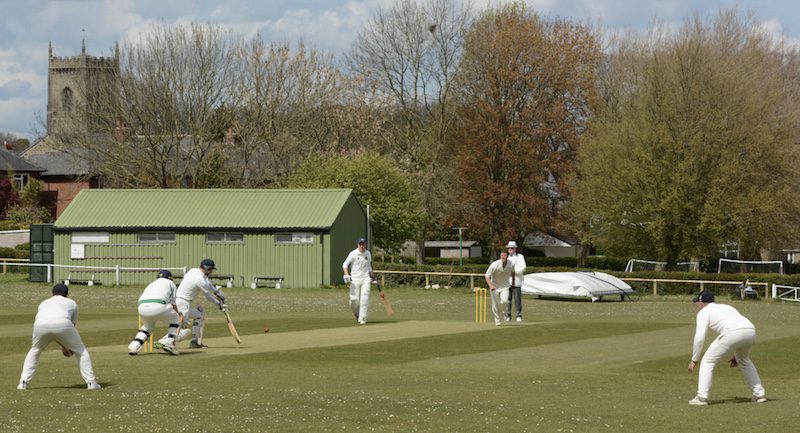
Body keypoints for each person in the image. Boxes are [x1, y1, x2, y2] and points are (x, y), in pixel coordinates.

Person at [687, 290, 767, 406]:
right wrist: (737, 354)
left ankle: (701, 397)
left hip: (732, 332)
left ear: (701, 303)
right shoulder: (727, 307)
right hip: (750, 330)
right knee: (744, 360)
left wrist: (694, 360)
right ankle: (759, 394)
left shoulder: (704, 312)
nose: (698, 306)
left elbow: (699, 337)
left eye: (698, 304)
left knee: (707, 361)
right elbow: (739, 326)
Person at [17, 283, 101, 390]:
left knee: (35, 350)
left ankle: (23, 383)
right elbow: (68, 327)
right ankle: (91, 383)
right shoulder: (72, 303)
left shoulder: (43, 303)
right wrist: (65, 347)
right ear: (67, 294)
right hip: (62, 323)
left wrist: (64, 346)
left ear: (52, 293)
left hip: (40, 325)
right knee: (81, 351)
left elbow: (51, 328)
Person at [157, 258, 226, 349]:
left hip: (183, 302)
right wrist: (219, 304)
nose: (211, 272)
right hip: (182, 303)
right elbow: (208, 296)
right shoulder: (199, 280)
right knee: (182, 328)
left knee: (199, 315)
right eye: (211, 270)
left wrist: (216, 291)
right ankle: (163, 341)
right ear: (207, 269)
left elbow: (207, 281)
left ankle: (195, 342)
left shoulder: (193, 271)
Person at [129, 270, 183, 356]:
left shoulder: (151, 283)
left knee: (147, 327)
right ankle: (169, 341)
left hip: (142, 307)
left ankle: (135, 346)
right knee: (176, 320)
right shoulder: (170, 283)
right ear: (170, 278)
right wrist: (179, 315)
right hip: (159, 305)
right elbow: (173, 304)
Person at [342, 238, 375, 325]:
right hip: (355, 279)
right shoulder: (353, 253)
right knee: (354, 300)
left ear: (366, 245)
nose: (362, 246)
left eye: (363, 244)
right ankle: (357, 314)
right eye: (360, 244)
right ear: (358, 245)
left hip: (365, 278)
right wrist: (346, 275)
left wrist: (372, 276)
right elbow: (345, 265)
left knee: (365, 297)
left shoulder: (368, 253)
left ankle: (363, 318)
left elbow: (369, 266)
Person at [484, 251, 514, 326]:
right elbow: (487, 275)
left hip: (505, 286)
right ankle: (497, 320)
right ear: (500, 256)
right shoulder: (495, 264)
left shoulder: (511, 264)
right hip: (495, 286)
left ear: (507, 256)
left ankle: (505, 314)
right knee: (495, 304)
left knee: (504, 301)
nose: (503, 257)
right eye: (502, 255)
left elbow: (513, 272)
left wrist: (513, 280)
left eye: (504, 255)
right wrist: (491, 285)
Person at [505, 240, 526, 322]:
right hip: (507, 281)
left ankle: (518, 315)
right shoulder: (506, 257)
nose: (510, 249)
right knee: (507, 299)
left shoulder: (520, 257)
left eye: (512, 248)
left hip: (516, 280)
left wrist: (515, 272)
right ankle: (508, 315)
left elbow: (523, 267)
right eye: (509, 248)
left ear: (515, 249)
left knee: (517, 299)